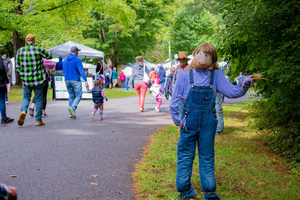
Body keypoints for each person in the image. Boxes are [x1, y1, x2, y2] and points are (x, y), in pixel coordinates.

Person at [170, 43, 261, 199]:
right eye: (200, 54)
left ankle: (209, 191)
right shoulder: (184, 75)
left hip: (208, 123)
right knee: (186, 155)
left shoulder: (216, 75)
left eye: (207, 55)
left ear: (213, 60)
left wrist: (244, 83)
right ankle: (185, 190)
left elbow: (233, 92)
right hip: (188, 123)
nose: (202, 58)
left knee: (206, 155)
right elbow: (175, 100)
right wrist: (178, 121)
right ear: (194, 55)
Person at [16, 34, 52, 126]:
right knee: (39, 98)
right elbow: (49, 56)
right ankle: (38, 120)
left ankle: (23, 111)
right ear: (34, 40)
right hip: (38, 79)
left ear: (26, 40)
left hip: (26, 80)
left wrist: (23, 75)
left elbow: (17, 67)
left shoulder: (20, 51)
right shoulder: (38, 49)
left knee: (26, 97)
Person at [63, 46, 88, 119]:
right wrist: (85, 80)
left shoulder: (65, 60)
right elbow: (81, 71)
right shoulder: (77, 60)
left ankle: (71, 113)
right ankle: (73, 108)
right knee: (79, 94)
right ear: (76, 52)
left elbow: (64, 70)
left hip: (67, 80)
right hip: (75, 80)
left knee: (71, 95)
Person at [0, 56, 14, 124]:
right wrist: (6, 80)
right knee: (1, 100)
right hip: (0, 82)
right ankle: (4, 117)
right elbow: (2, 69)